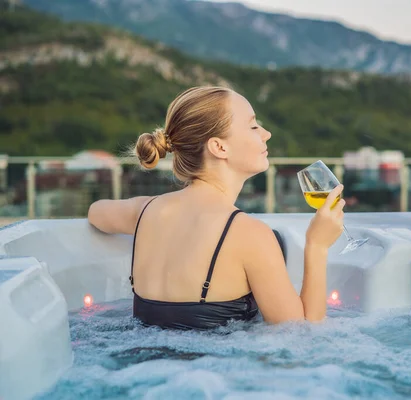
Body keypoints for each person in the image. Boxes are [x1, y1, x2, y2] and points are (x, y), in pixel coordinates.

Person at [87, 86, 345, 330]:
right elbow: (302, 334)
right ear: (219, 147)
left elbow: (96, 212)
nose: (266, 134)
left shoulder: (143, 211)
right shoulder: (248, 234)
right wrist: (317, 246)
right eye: (254, 126)